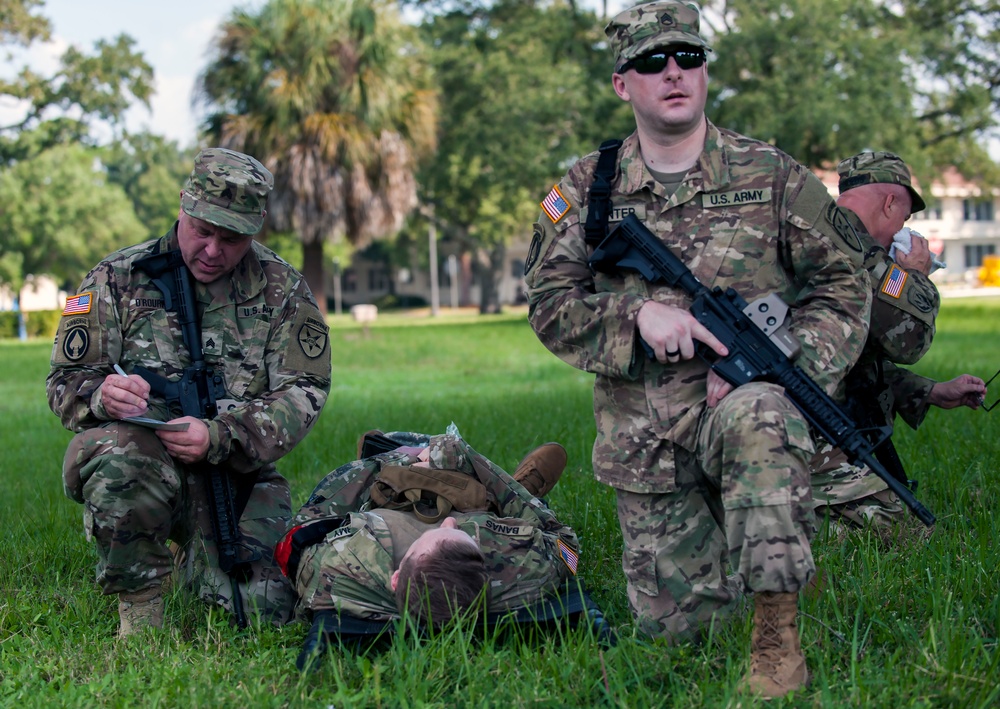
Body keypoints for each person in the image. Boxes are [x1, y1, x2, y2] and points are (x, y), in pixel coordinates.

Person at [523, 1, 873, 699]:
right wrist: (635, 316)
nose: (674, 72)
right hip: (648, 448)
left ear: (706, 71)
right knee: (683, 640)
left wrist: (774, 364)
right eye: (653, 62)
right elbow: (548, 305)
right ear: (624, 83)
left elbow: (846, 281)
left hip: (742, 412)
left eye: (689, 57)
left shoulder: (772, 175)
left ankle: (777, 634)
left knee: (761, 413)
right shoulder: (587, 191)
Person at [46, 147, 332, 637]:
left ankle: (190, 556)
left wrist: (220, 434)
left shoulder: (283, 289)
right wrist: (102, 397)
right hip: (142, 463)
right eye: (203, 231)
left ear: (255, 229)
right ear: (184, 205)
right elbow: (64, 381)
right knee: (118, 456)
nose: (214, 250)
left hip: (236, 473)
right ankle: (140, 611)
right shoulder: (114, 278)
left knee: (256, 607)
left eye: (232, 238)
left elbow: (305, 390)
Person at [811, 151, 987, 530]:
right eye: (904, 220)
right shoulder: (855, 250)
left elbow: (848, 358)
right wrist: (914, 276)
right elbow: (909, 342)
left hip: (794, 419)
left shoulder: (814, 230)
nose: (900, 231)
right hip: (801, 436)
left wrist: (930, 391)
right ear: (890, 202)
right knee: (900, 531)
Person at [276, 430, 579, 634]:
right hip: (473, 498)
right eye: (464, 536)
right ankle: (523, 486)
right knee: (461, 470)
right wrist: (476, 462)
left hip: (393, 498)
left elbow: (304, 528)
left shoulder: (335, 570)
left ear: (395, 579)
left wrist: (390, 463)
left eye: (433, 534)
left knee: (386, 445)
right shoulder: (528, 570)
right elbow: (565, 543)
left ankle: (399, 449)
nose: (448, 523)